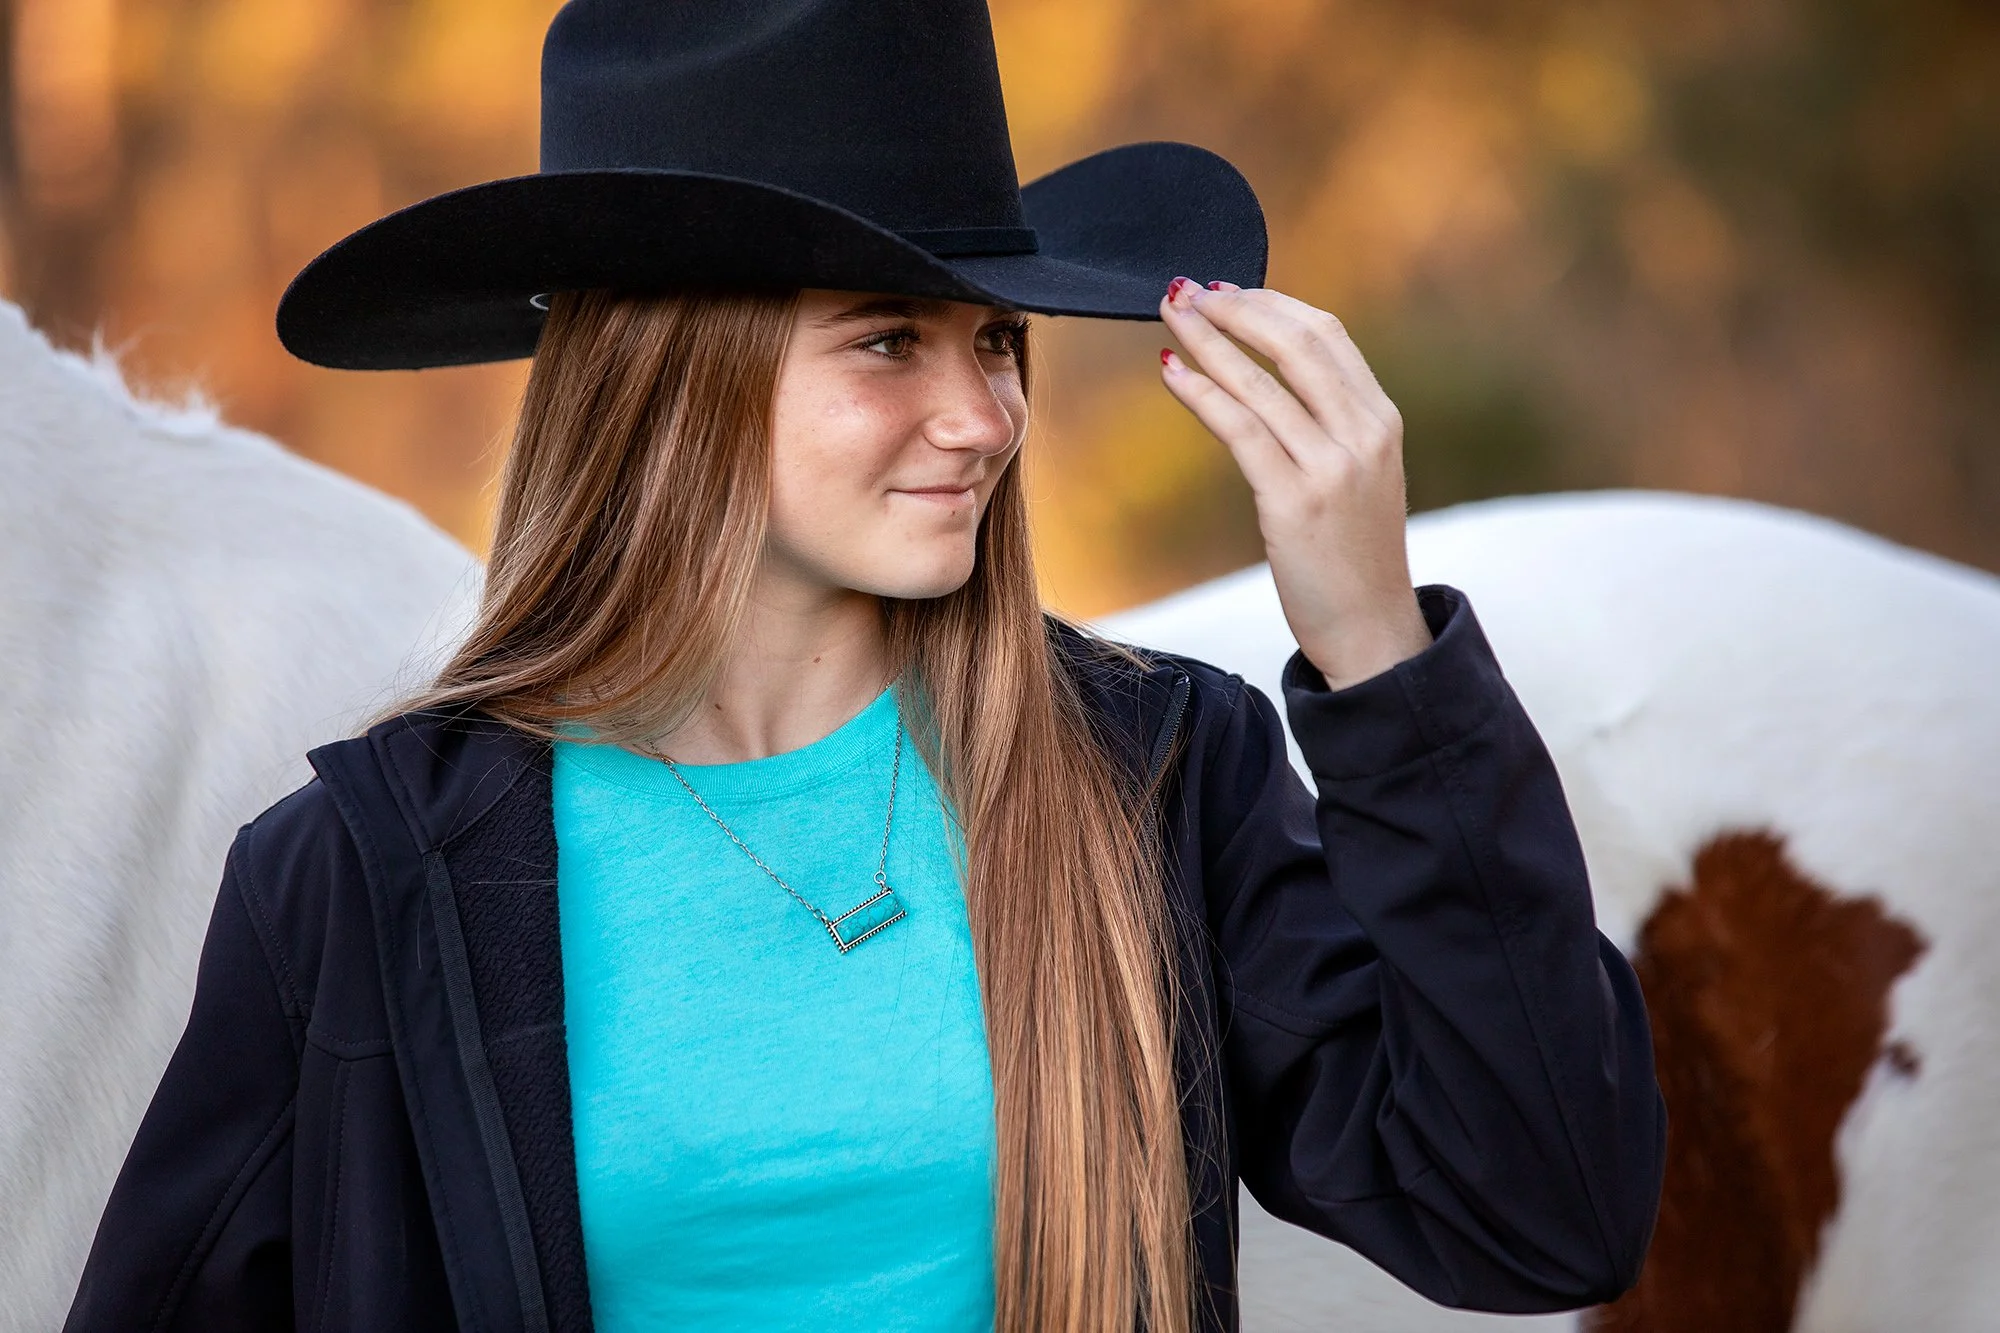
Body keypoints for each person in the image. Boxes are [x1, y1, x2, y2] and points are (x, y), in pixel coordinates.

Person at [64, 2, 1665, 1330]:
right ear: (669, 373)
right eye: (888, 340)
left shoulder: (1156, 776)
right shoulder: (359, 878)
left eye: (997, 340)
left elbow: (1538, 1213)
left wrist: (1382, 654)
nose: (985, 419)